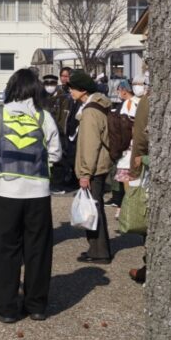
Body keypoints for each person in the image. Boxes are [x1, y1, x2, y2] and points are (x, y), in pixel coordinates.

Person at [0, 68, 62, 323]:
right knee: (37, 249)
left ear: (12, 88)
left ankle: (6, 308)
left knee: (4, 250)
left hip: (4, 192)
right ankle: (36, 306)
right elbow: (56, 154)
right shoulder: (44, 117)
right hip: (38, 193)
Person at [68, 69, 114, 263]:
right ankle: (96, 249)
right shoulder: (100, 106)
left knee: (93, 209)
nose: (70, 92)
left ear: (82, 90)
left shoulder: (90, 111)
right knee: (95, 207)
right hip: (101, 164)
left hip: (94, 168)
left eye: (72, 88)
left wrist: (85, 173)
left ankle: (99, 251)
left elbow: (89, 144)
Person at [128, 86, 149, 283]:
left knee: (149, 221)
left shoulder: (148, 99)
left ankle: (150, 266)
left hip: (153, 169)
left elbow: (141, 138)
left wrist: (135, 170)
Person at [109, 79, 139, 206]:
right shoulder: (141, 101)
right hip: (138, 145)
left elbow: (126, 125)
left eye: (119, 90)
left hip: (129, 146)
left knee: (127, 178)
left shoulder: (128, 104)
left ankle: (129, 205)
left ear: (123, 90)